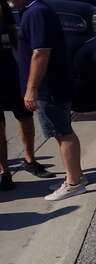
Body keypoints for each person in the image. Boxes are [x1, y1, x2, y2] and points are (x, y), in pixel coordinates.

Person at [11, 0, 84, 200]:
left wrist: (31, 89)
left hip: (49, 87)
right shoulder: (33, 11)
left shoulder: (36, 13)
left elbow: (41, 53)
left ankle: (73, 183)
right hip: (50, 85)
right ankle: (75, 176)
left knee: (61, 132)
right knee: (61, 131)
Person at [0, 0, 52, 190]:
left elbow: (16, 37)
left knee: (25, 116)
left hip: (11, 72)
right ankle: (4, 172)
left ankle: (29, 159)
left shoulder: (5, 8)